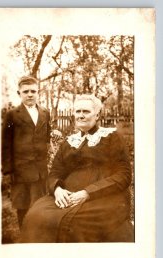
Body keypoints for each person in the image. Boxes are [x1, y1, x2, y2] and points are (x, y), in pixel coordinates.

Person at [20, 94, 134, 242]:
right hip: (68, 196)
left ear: (97, 114)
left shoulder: (112, 137)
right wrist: (57, 190)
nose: (80, 116)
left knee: (74, 223)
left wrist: (87, 192)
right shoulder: (68, 142)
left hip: (103, 196)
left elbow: (123, 175)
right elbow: (55, 173)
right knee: (35, 215)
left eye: (85, 111)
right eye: (77, 111)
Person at [2, 75, 51, 228]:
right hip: (20, 170)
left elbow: (47, 137)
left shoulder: (45, 113)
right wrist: (8, 171)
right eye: (26, 91)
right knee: (22, 205)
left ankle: (38, 233)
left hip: (40, 170)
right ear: (19, 93)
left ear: (38, 93)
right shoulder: (12, 115)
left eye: (33, 91)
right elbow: (6, 144)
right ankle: (24, 233)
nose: (30, 94)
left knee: (39, 204)